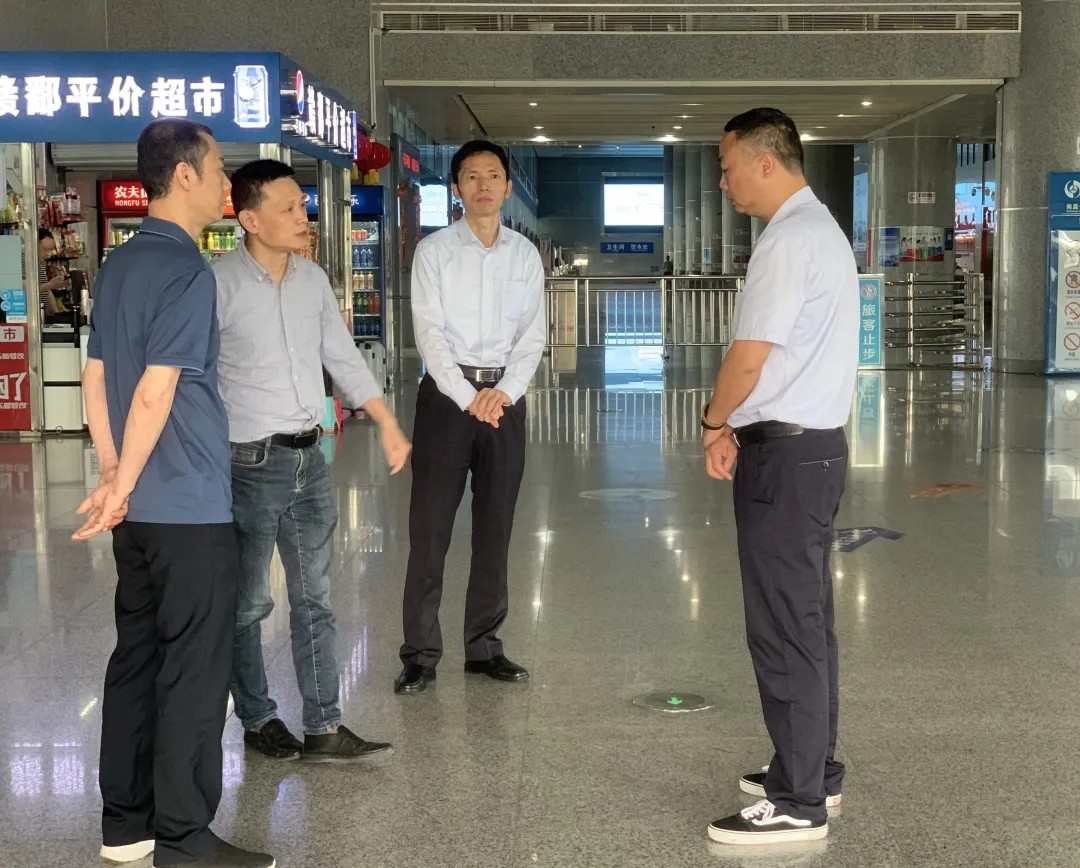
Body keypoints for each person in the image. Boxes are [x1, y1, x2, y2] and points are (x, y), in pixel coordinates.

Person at [73, 120, 273, 868]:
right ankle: (185, 838)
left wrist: (112, 479)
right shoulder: (188, 271)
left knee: (136, 660)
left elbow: (97, 378)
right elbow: (156, 391)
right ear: (184, 176)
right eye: (218, 168)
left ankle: (126, 826)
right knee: (194, 669)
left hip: (138, 515)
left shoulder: (120, 264)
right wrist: (122, 482)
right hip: (188, 504)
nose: (226, 182)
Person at [213, 159, 410, 762]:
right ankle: (257, 718)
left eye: (303, 206)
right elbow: (191, 376)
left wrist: (386, 422)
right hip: (248, 462)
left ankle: (324, 725)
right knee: (249, 603)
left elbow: (342, 356)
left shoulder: (312, 279)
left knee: (315, 598)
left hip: (309, 459)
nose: (304, 217)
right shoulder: (217, 284)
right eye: (289, 208)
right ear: (249, 219)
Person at [699, 108, 858, 846]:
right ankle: (814, 768)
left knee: (784, 625)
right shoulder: (821, 230)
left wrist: (714, 421)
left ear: (766, 162)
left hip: (786, 460)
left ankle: (798, 802)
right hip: (815, 448)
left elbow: (749, 358)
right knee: (808, 619)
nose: (723, 181)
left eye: (728, 167)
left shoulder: (787, 241)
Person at [395, 140, 545, 695]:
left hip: (504, 401)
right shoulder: (434, 252)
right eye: (472, 176)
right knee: (430, 529)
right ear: (456, 188)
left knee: (495, 528)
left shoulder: (524, 254)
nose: (484, 185)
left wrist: (503, 392)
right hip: (446, 399)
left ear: (507, 186)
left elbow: (532, 335)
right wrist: (468, 396)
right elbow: (429, 334)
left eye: (493, 175)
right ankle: (420, 653)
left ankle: (484, 646)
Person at [38, 228, 72, 321]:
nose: (48, 254)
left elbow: (47, 290)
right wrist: (50, 285)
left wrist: (56, 313)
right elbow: (26, 290)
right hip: (35, 316)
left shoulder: (41, 262)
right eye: (45, 249)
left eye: (50, 250)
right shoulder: (25, 262)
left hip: (46, 315)